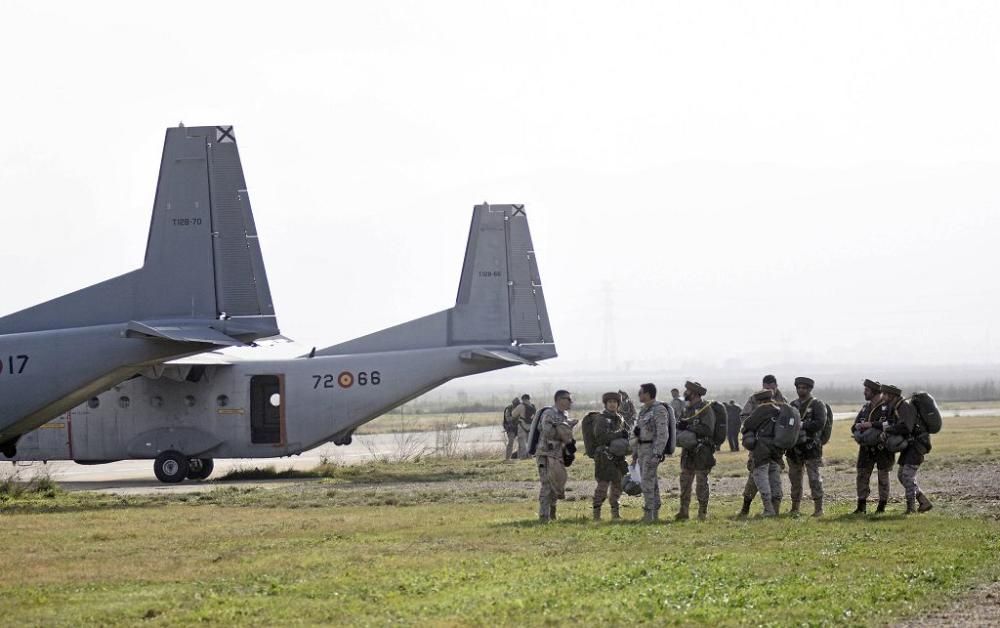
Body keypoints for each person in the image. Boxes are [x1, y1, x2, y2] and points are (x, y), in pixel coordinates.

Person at [735, 375, 788, 518]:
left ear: (776, 386)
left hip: (761, 448)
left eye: (771, 387)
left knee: (758, 476)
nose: (769, 390)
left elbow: (747, 424)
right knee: (773, 476)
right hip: (776, 449)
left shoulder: (766, 405)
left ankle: (768, 510)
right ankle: (771, 510)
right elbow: (744, 416)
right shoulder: (781, 406)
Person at [881, 384, 933, 514]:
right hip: (911, 445)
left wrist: (888, 429)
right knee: (901, 475)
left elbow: (906, 427)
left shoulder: (904, 406)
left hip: (917, 445)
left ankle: (911, 508)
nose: (883, 397)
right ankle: (923, 501)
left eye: (885, 394)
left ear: (891, 395)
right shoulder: (897, 407)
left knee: (907, 476)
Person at [786, 377, 828, 517]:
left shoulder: (817, 404)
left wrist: (803, 425)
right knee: (795, 479)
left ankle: (818, 509)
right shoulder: (792, 405)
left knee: (814, 479)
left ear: (810, 389)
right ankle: (795, 508)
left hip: (811, 447)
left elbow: (820, 423)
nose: (801, 390)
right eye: (799, 387)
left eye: (804, 388)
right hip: (794, 448)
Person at [851, 379, 893, 514]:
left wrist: (872, 425)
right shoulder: (865, 408)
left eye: (867, 390)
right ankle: (861, 506)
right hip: (865, 448)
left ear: (874, 392)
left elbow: (892, 424)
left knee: (883, 477)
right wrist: (858, 429)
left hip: (882, 447)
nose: (864, 392)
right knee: (862, 476)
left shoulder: (887, 408)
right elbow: (854, 425)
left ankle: (881, 507)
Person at [675, 381, 716, 520]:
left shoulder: (706, 409)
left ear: (694, 393)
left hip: (702, 451)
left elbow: (708, 430)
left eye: (687, 391)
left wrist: (689, 427)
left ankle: (702, 512)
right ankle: (683, 511)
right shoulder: (687, 409)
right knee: (685, 482)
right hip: (688, 452)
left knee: (701, 483)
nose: (685, 393)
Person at [535, 390, 577, 522]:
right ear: (559, 400)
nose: (571, 402)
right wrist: (563, 432)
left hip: (557, 455)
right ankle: (544, 516)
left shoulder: (564, 415)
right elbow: (548, 432)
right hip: (546, 454)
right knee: (547, 485)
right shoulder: (549, 414)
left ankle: (552, 513)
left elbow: (564, 431)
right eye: (568, 399)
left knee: (556, 485)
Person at [633, 382, 670, 522]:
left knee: (647, 483)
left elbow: (663, 434)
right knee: (650, 482)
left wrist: (657, 454)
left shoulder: (658, 409)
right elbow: (638, 433)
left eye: (641, 392)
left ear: (648, 394)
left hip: (651, 451)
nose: (639, 394)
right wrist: (635, 453)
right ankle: (654, 513)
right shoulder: (643, 410)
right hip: (642, 450)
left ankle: (649, 514)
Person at [592, 392, 630, 521]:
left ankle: (615, 514)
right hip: (604, 457)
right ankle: (596, 514)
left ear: (618, 404)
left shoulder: (620, 418)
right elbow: (601, 437)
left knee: (617, 486)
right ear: (606, 404)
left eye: (615, 402)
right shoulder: (601, 419)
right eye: (610, 402)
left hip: (618, 458)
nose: (612, 404)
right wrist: (619, 435)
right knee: (602, 486)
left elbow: (627, 435)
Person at [513, 393, 537, 459]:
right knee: (529, 443)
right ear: (529, 399)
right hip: (531, 427)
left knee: (522, 443)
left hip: (522, 426)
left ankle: (523, 457)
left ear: (523, 399)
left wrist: (515, 407)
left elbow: (513, 414)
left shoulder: (521, 406)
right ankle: (530, 456)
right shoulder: (533, 406)